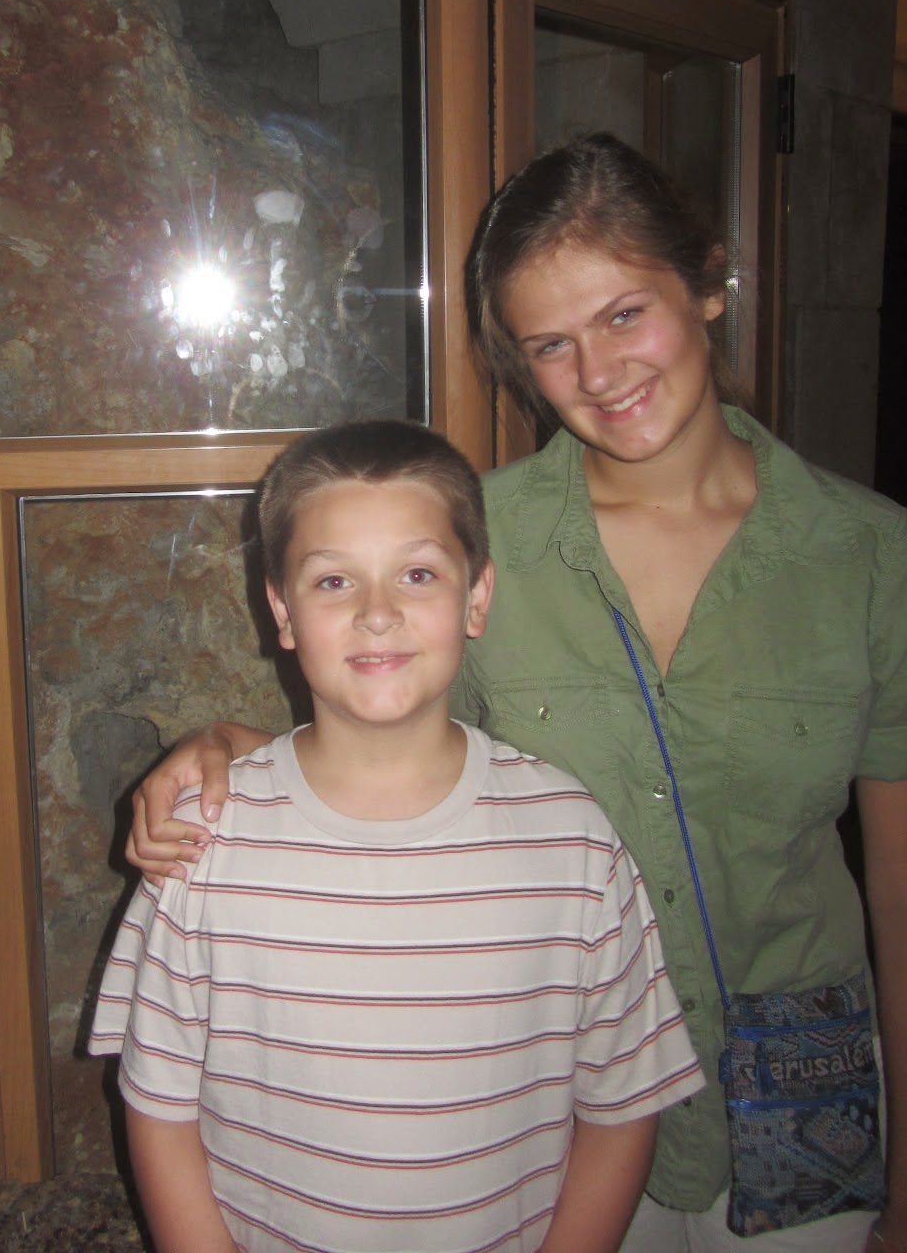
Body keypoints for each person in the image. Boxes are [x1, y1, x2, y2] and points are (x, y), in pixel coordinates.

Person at [126, 134, 907, 1253]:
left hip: (799, 1106)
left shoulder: (871, 556)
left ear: (710, 285)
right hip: (542, 1125)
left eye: (626, 314)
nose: (600, 372)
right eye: (551, 344)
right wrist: (215, 743)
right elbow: (385, 748)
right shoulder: (468, 538)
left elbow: (897, 892)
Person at [91, 418, 705, 1253]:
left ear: (476, 597)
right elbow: (160, 1106)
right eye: (334, 581)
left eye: (417, 574)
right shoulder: (202, 844)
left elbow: (622, 1107)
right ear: (282, 611)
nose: (377, 614)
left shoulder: (574, 844)